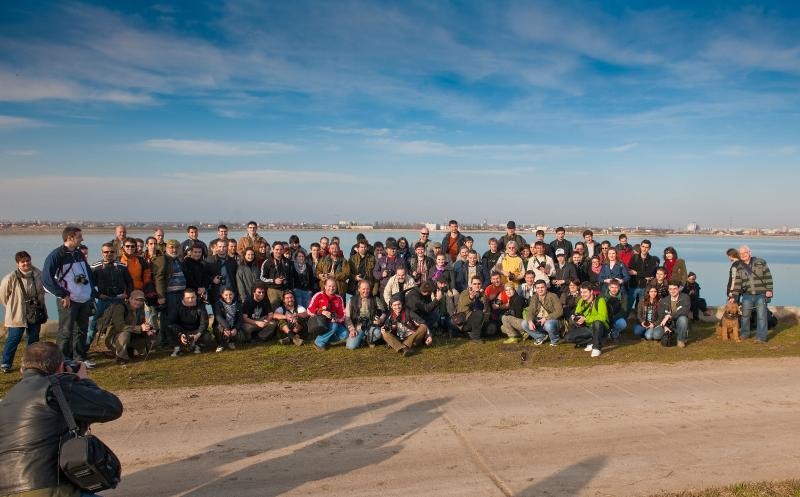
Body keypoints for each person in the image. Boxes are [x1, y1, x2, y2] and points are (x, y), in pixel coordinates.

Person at [0, 342, 123, 497]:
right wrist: (82, 380)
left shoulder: (7, 399)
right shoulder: (56, 386)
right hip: (48, 487)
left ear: (22, 370)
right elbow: (112, 407)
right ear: (60, 367)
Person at [42, 226, 97, 368]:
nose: (82, 239)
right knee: (66, 331)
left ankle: (79, 357)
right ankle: (61, 361)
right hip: (69, 300)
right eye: (79, 236)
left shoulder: (78, 253)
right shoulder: (56, 255)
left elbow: (87, 274)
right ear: (70, 238)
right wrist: (63, 294)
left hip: (83, 298)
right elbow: (46, 279)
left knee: (81, 330)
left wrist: (91, 292)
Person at [0, 251, 46, 374]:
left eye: (28, 260)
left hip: (35, 313)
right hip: (17, 314)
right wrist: (12, 307)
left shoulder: (38, 274)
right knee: (14, 339)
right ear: (17, 263)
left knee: (33, 339)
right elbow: (3, 296)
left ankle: (31, 364)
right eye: (22, 261)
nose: (26, 263)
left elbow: (42, 292)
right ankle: (5, 363)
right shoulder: (10, 278)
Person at [88, 243, 133, 346]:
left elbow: (130, 282)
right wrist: (98, 295)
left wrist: (127, 294)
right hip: (103, 299)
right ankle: (84, 348)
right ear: (102, 252)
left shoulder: (122, 266)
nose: (109, 254)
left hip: (119, 299)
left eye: (112, 252)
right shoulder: (95, 267)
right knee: (94, 324)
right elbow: (89, 285)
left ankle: (119, 346)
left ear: (115, 252)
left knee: (121, 323)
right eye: (106, 252)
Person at [729, 245, 774, 343]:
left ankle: (761, 337)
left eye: (745, 252)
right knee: (745, 316)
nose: (743, 255)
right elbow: (737, 283)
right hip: (747, 295)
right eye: (741, 253)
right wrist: (733, 296)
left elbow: (768, 276)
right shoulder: (739, 267)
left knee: (761, 316)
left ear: (750, 253)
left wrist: (769, 290)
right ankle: (745, 334)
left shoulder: (760, 262)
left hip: (761, 294)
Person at [96, 289, 155, 363]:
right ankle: (121, 358)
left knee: (154, 336)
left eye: (141, 300)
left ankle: (130, 351)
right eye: (136, 300)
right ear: (130, 299)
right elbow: (120, 327)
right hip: (114, 338)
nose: (138, 302)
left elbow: (141, 325)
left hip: (130, 336)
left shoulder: (140, 309)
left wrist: (147, 329)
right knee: (125, 334)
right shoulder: (120, 307)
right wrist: (140, 328)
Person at [151, 239, 186, 349]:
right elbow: (159, 278)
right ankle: (165, 341)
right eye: (171, 247)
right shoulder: (162, 259)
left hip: (180, 293)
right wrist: (161, 296)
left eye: (176, 247)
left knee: (177, 318)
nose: (174, 250)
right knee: (168, 319)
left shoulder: (178, 259)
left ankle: (176, 340)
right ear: (166, 248)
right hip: (169, 294)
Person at [564, 282, 609, 358]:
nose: (582, 294)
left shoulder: (600, 300)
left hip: (601, 328)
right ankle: (592, 341)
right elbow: (577, 312)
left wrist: (586, 319)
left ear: (591, 292)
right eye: (581, 292)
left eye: (585, 292)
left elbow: (602, 317)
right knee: (568, 338)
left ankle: (596, 348)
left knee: (597, 322)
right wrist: (575, 318)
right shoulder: (581, 301)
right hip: (588, 328)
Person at [344, 280, 385, 349]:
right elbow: (347, 317)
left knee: (379, 333)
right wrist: (352, 329)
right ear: (359, 289)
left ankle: (367, 340)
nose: (366, 291)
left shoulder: (375, 299)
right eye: (363, 289)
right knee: (351, 346)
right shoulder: (352, 300)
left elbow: (383, 313)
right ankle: (363, 339)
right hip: (358, 327)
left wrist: (380, 320)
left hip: (371, 326)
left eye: (367, 289)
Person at [310, 278, 348, 350]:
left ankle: (325, 340)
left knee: (345, 334)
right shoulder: (318, 295)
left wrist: (337, 318)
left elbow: (342, 314)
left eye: (333, 286)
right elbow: (309, 309)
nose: (331, 288)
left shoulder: (339, 298)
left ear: (336, 287)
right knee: (334, 326)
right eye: (329, 286)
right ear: (325, 286)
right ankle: (318, 342)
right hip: (320, 322)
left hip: (333, 322)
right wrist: (322, 312)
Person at [171, 289, 211, 356]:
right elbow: (173, 323)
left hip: (196, 331)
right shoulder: (177, 306)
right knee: (169, 329)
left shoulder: (201, 305)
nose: (190, 300)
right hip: (183, 331)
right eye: (187, 298)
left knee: (207, 336)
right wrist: (180, 334)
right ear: (183, 298)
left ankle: (198, 345)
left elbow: (204, 323)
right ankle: (178, 348)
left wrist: (197, 335)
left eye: (193, 297)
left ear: (196, 297)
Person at [652, 281, 692, 347]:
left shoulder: (685, 297)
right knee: (656, 335)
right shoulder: (664, 301)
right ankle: (671, 334)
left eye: (675, 289)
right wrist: (665, 327)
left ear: (679, 289)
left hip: (679, 322)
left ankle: (680, 340)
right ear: (668, 290)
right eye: (670, 289)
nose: (672, 291)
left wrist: (669, 316)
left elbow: (684, 311)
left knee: (683, 319)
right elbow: (661, 316)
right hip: (668, 324)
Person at [627, 239, 660, 313]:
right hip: (633, 286)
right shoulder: (634, 257)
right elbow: (630, 271)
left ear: (649, 248)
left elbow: (650, 273)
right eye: (643, 246)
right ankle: (625, 319)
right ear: (640, 247)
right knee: (628, 306)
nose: (644, 249)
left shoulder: (652, 259)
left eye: (646, 247)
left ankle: (639, 320)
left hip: (645, 287)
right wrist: (644, 274)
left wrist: (636, 273)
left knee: (642, 308)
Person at [455, 276, 490, 341]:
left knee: (491, 329)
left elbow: (487, 309)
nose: (477, 286)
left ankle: (470, 333)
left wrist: (485, 320)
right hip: (465, 321)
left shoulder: (483, 295)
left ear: (481, 284)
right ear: (471, 284)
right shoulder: (465, 292)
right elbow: (463, 302)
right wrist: (471, 297)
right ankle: (475, 338)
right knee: (479, 313)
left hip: (480, 321)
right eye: (474, 284)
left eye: (479, 284)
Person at [212, 287, 242, 352]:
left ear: (233, 294)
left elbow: (240, 319)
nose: (228, 297)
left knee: (241, 337)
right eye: (226, 295)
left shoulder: (238, 305)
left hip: (233, 326)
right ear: (222, 295)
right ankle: (220, 344)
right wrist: (227, 328)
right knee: (219, 328)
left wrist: (236, 329)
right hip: (222, 325)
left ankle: (231, 342)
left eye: (230, 294)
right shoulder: (218, 304)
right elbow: (218, 317)